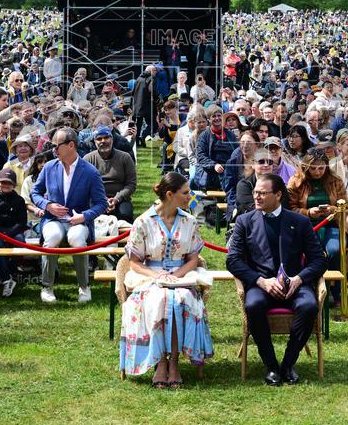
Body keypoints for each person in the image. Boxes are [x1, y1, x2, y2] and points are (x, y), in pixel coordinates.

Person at [226, 174, 326, 386]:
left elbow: (319, 260)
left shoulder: (299, 222)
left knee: (309, 306)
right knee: (253, 305)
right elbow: (233, 260)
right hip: (261, 285)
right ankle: (271, 365)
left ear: (278, 195)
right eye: (255, 192)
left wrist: (299, 279)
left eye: (262, 193)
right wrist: (260, 281)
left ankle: (288, 364)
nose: (256, 197)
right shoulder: (245, 221)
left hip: (294, 284)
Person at [119, 172, 213, 388]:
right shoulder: (143, 222)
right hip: (148, 277)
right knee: (159, 299)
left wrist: (175, 277)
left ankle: (174, 362)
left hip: (181, 276)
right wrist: (157, 276)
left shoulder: (189, 221)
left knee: (180, 299)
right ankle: (161, 362)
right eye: (185, 193)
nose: (190, 197)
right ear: (170, 195)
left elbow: (193, 259)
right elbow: (134, 263)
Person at [31, 126, 108, 303]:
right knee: (52, 237)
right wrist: (48, 205)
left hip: (79, 222)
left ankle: (84, 287)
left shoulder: (90, 171)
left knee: (77, 239)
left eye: (56, 146)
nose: (53, 150)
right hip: (52, 220)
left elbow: (102, 203)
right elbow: (35, 193)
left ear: (71, 145)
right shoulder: (49, 167)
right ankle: (47, 287)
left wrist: (84, 216)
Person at [287, 149, 348, 297]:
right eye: (313, 168)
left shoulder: (335, 180)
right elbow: (290, 209)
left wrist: (332, 210)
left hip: (331, 225)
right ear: (306, 166)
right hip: (305, 227)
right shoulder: (296, 182)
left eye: (321, 168)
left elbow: (345, 208)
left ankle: (336, 292)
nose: (317, 172)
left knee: (334, 251)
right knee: (310, 253)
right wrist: (308, 212)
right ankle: (310, 289)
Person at [0, 168, 28, 297]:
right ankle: (6, 279)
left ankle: (10, 273)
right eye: (3, 182)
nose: (5, 185)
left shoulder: (19, 200)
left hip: (14, 231)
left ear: (14, 185)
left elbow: (22, 222)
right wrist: (1, 233)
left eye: (9, 183)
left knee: (20, 243)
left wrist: (8, 234)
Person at [83, 126, 137, 223]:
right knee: (91, 218)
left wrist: (117, 199)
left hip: (121, 199)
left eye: (106, 137)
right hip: (96, 199)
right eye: (99, 139)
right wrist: (102, 199)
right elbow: (85, 185)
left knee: (126, 216)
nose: (103, 141)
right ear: (95, 142)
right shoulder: (88, 159)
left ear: (112, 139)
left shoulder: (125, 157)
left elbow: (131, 184)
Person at [194, 106, 238, 191]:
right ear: (209, 120)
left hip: (229, 170)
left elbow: (237, 152)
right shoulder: (204, 136)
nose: (217, 118)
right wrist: (214, 165)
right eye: (214, 116)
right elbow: (200, 156)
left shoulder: (230, 135)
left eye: (219, 115)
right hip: (211, 173)